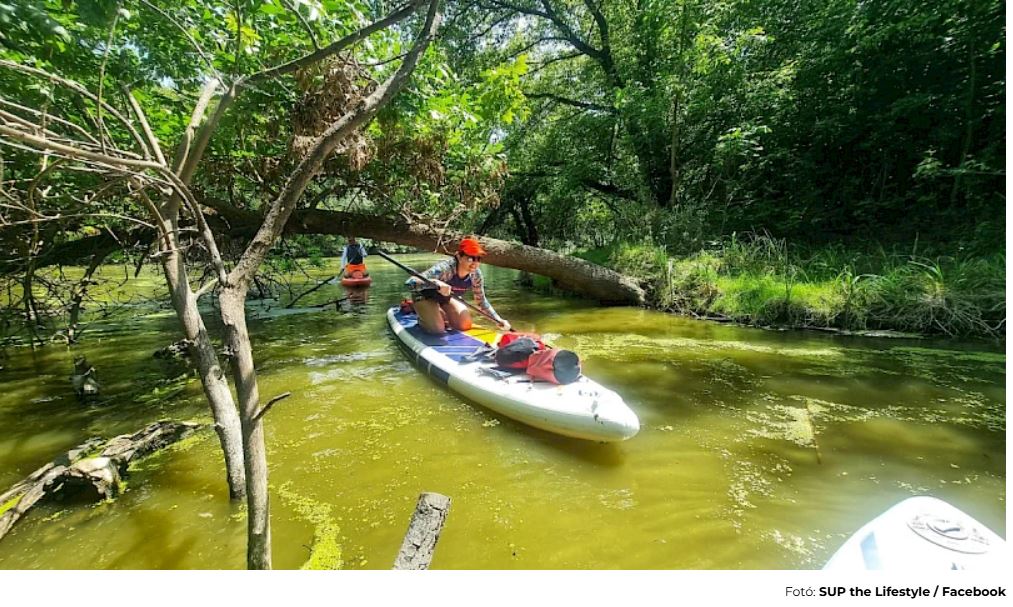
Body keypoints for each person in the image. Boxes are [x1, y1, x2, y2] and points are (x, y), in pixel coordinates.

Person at [405, 236, 511, 335]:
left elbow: (481, 301)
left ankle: (438, 313)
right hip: (424, 295)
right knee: (437, 329)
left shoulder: (476, 274)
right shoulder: (444, 269)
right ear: (459, 256)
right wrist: (435, 282)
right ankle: (419, 314)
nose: (474, 263)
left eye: (478, 259)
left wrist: (497, 319)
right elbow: (410, 283)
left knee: (464, 324)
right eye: (470, 258)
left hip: (445, 297)